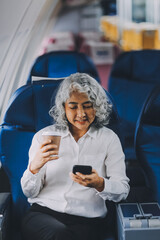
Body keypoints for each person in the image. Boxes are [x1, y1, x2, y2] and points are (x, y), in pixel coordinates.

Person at [21, 72, 130, 240]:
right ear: (64, 108)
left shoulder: (108, 139)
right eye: (73, 106)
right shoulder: (44, 137)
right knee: (59, 234)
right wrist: (34, 167)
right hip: (43, 214)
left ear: (97, 106)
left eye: (87, 105)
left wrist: (100, 184)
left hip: (86, 220)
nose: (81, 113)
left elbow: (122, 190)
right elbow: (29, 192)